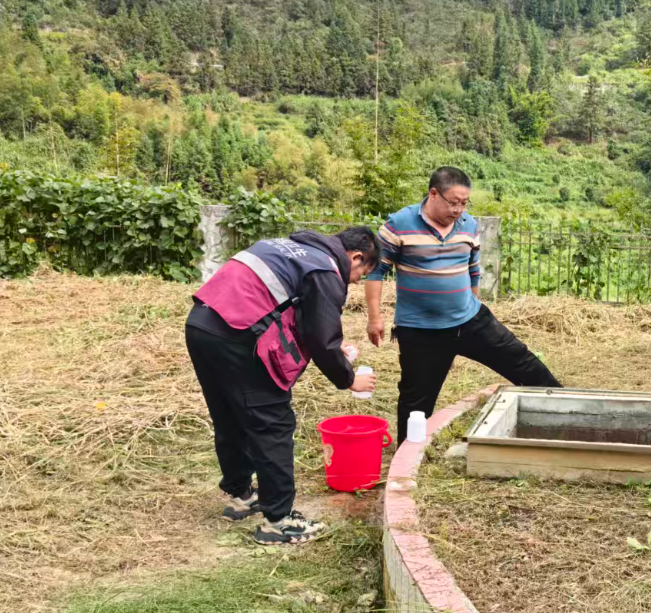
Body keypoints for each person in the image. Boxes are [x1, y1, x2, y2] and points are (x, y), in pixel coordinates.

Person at [186, 227, 381, 544]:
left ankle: (240, 496)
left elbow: (291, 315)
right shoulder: (326, 269)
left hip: (202, 324)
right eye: (362, 273)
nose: (356, 281)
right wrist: (349, 378)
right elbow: (321, 338)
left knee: (230, 415)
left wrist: (332, 350)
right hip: (238, 337)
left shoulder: (289, 247)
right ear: (356, 256)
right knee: (273, 422)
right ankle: (278, 521)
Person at [365, 166, 561, 442]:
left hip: (470, 320)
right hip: (421, 331)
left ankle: (564, 409)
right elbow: (376, 271)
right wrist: (375, 318)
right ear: (434, 194)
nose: (458, 209)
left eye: (464, 202)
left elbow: (473, 269)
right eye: (453, 202)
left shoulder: (468, 224)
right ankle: (405, 457)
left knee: (525, 363)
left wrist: (474, 303)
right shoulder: (399, 223)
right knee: (415, 399)